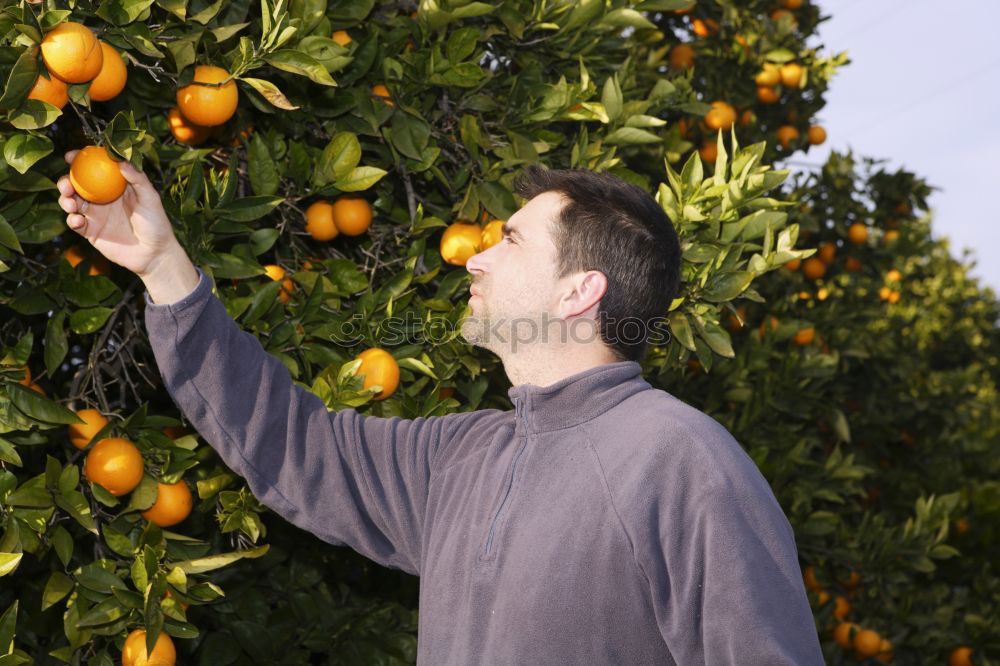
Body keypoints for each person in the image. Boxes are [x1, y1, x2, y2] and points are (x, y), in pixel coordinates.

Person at [57, 153, 825, 665]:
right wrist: (163, 267)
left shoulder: (680, 458)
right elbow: (292, 441)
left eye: (512, 241)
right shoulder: (461, 457)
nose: (476, 255)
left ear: (577, 291)